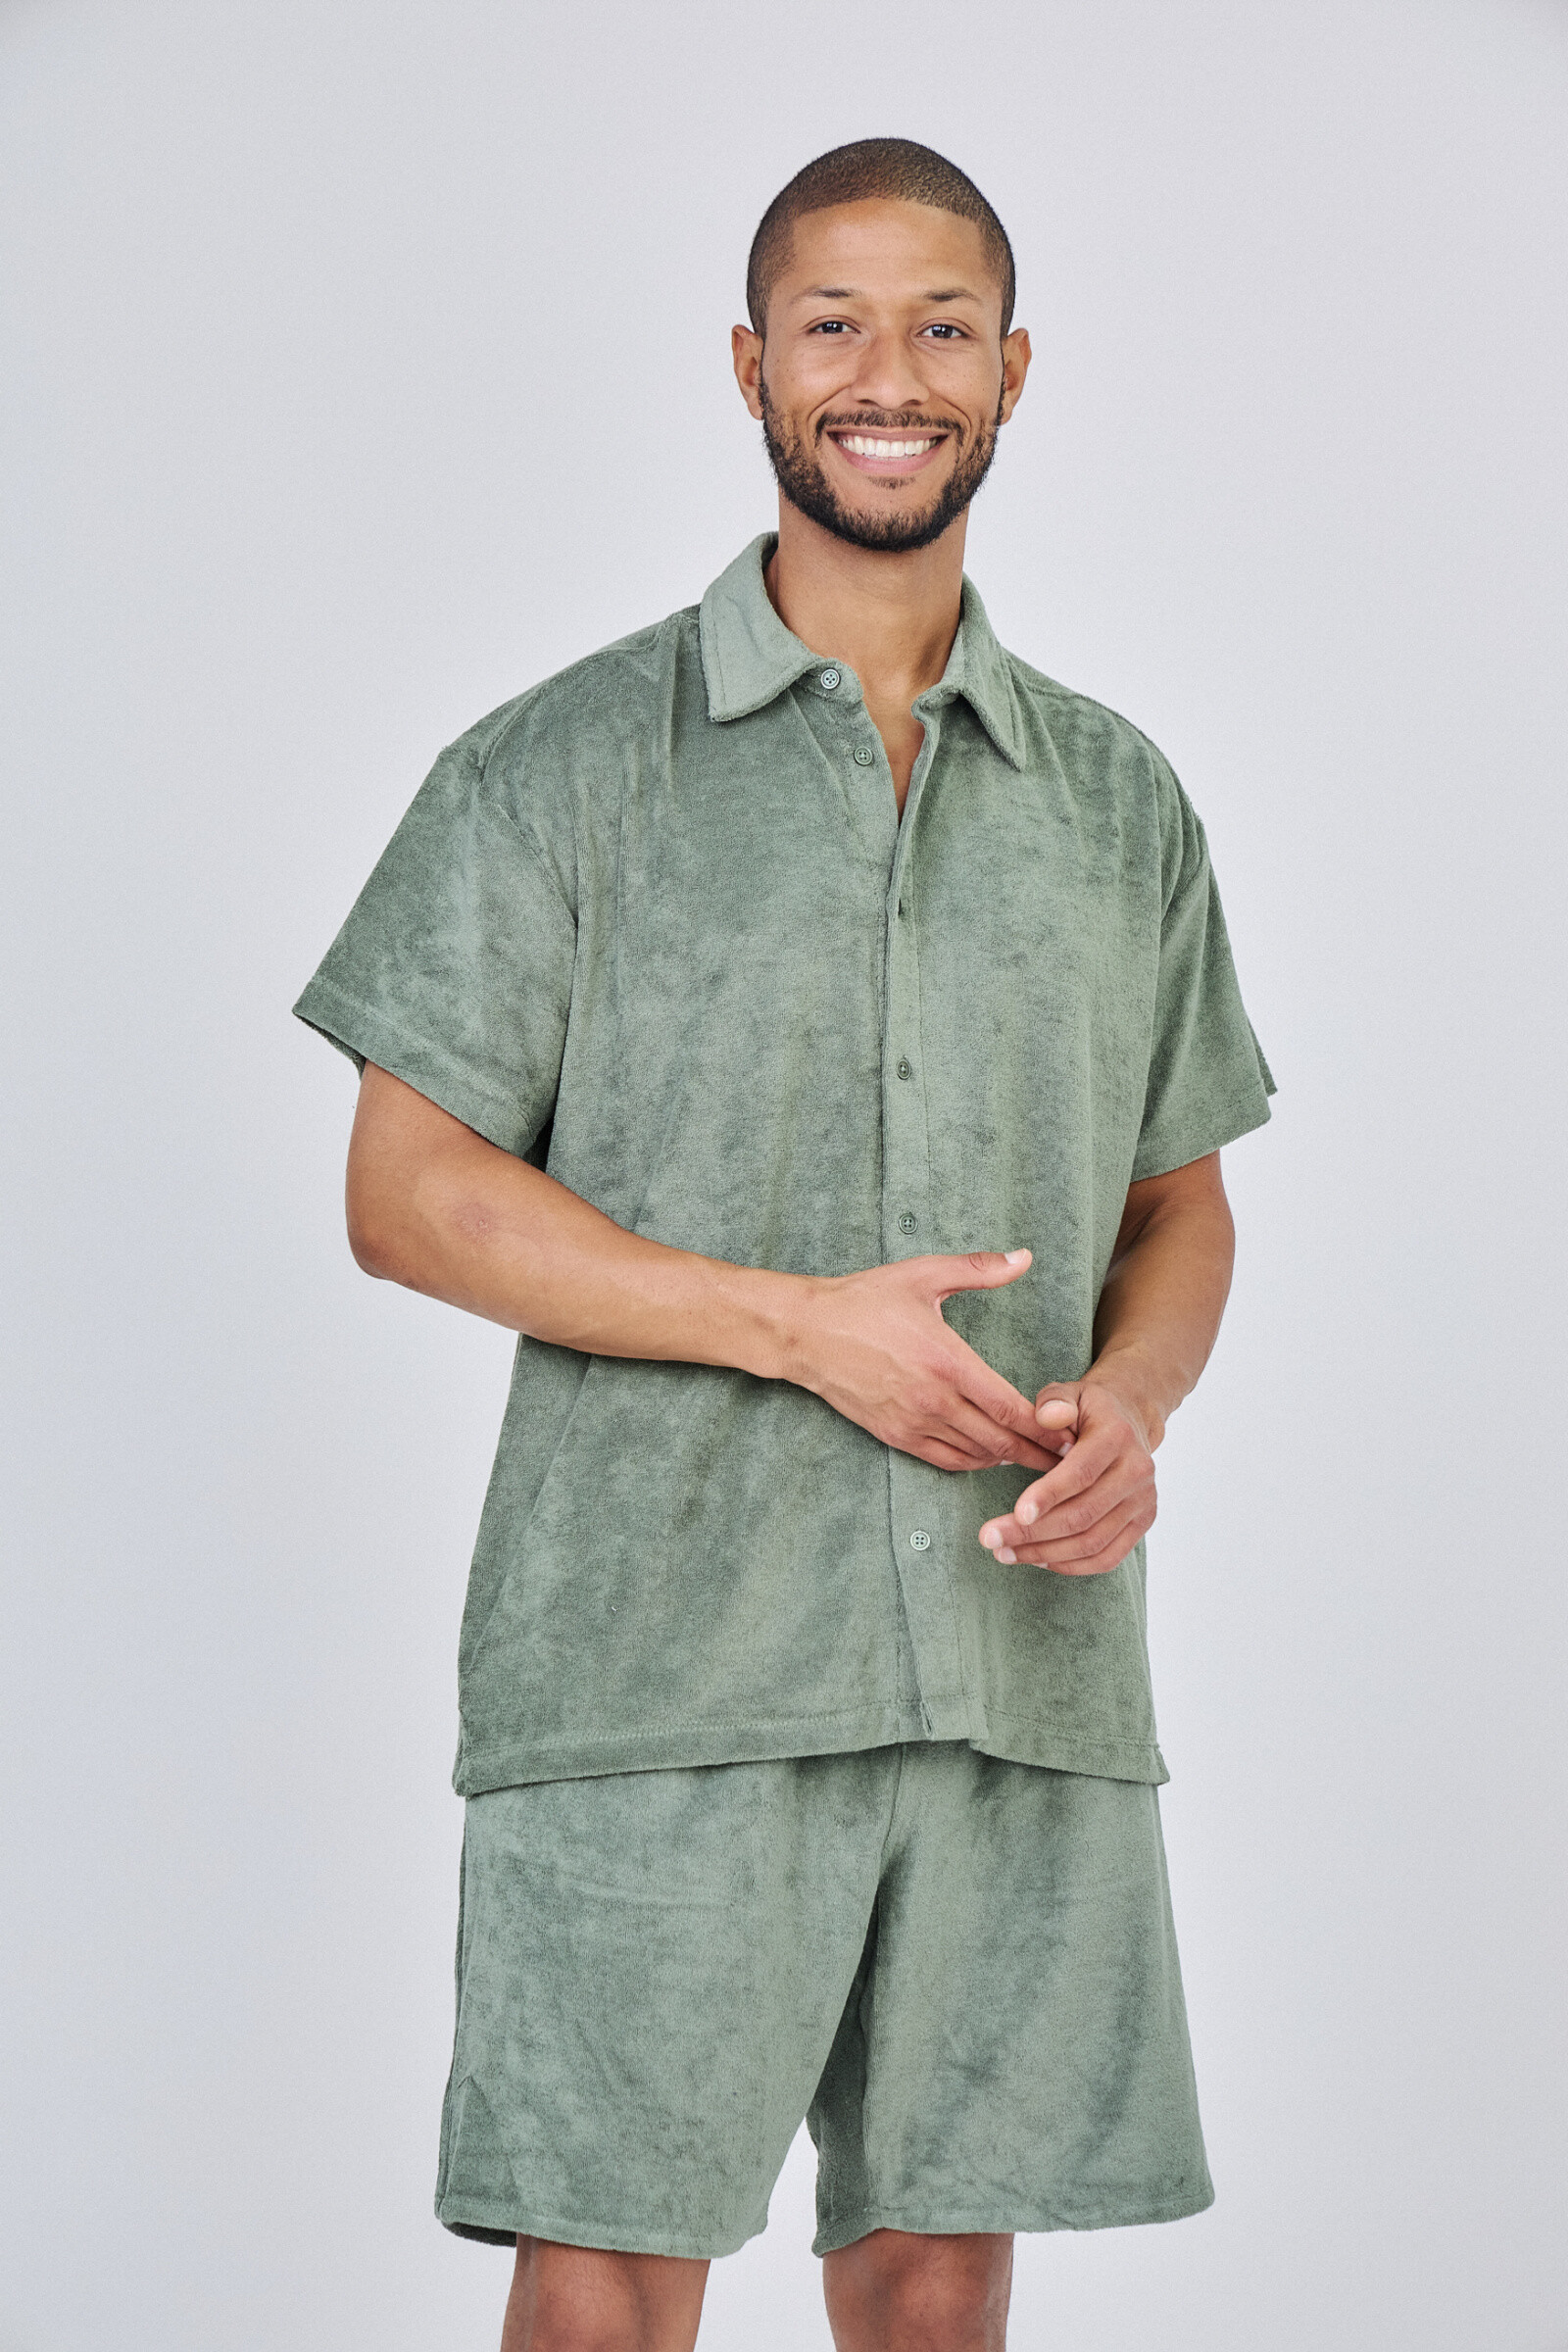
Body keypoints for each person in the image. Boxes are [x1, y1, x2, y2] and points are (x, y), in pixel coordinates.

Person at [295, 135, 1274, 2352]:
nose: (887, 375)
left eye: (941, 327)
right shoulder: (557, 767)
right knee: (607, 2284)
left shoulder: (1118, 802)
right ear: (752, 367)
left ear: (1011, 373)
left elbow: (1177, 1199)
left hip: (1015, 1670)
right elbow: (404, 1190)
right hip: (661, 1663)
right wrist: (796, 1330)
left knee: (937, 2282)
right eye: (833, 325)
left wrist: (1132, 1402)